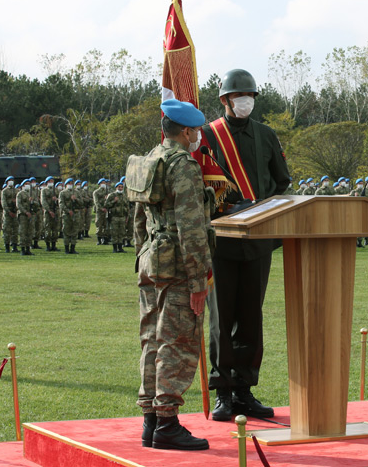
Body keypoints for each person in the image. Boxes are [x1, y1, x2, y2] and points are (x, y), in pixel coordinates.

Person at [203, 69, 291, 422]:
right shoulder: (207, 135)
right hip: (221, 241)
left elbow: (282, 181)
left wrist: (262, 210)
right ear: (225, 100)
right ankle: (223, 391)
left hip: (258, 239)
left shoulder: (266, 135)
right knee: (221, 318)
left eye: (251, 95)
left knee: (251, 316)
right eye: (240, 96)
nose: (246, 101)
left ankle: (244, 389)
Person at [132, 99, 211, 450]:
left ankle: (150, 419)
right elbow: (191, 228)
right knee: (177, 340)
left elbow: (138, 219)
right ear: (186, 132)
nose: (197, 137)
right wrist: (198, 281)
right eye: (196, 132)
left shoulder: (150, 160)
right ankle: (166, 423)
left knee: (152, 337)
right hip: (177, 265)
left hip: (150, 259)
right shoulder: (183, 166)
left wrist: (143, 255)